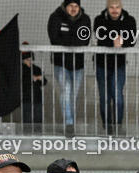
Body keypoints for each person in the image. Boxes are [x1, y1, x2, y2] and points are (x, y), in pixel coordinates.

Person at [48, 0, 92, 137]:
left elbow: (84, 39)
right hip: (60, 63)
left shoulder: (85, 19)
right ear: (65, 6)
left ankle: (70, 120)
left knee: (74, 94)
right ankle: (69, 123)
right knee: (66, 90)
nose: (73, 8)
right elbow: (54, 38)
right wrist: (73, 42)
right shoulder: (55, 17)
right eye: (70, 6)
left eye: (76, 6)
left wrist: (67, 40)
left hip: (78, 64)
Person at [93, 0, 135, 136]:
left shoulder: (129, 20)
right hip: (101, 65)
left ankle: (117, 125)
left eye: (117, 7)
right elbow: (98, 39)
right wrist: (113, 42)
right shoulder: (99, 20)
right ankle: (107, 127)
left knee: (117, 97)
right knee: (104, 98)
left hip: (119, 65)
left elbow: (132, 40)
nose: (115, 10)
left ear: (121, 7)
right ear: (107, 7)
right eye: (112, 7)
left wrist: (122, 42)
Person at [20, 44, 46, 129]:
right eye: (27, 60)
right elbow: (21, 81)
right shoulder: (20, 69)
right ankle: (27, 135)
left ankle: (38, 136)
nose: (29, 61)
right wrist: (32, 78)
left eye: (30, 59)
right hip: (26, 97)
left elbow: (44, 82)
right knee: (27, 118)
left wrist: (39, 78)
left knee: (38, 118)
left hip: (37, 97)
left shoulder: (36, 69)